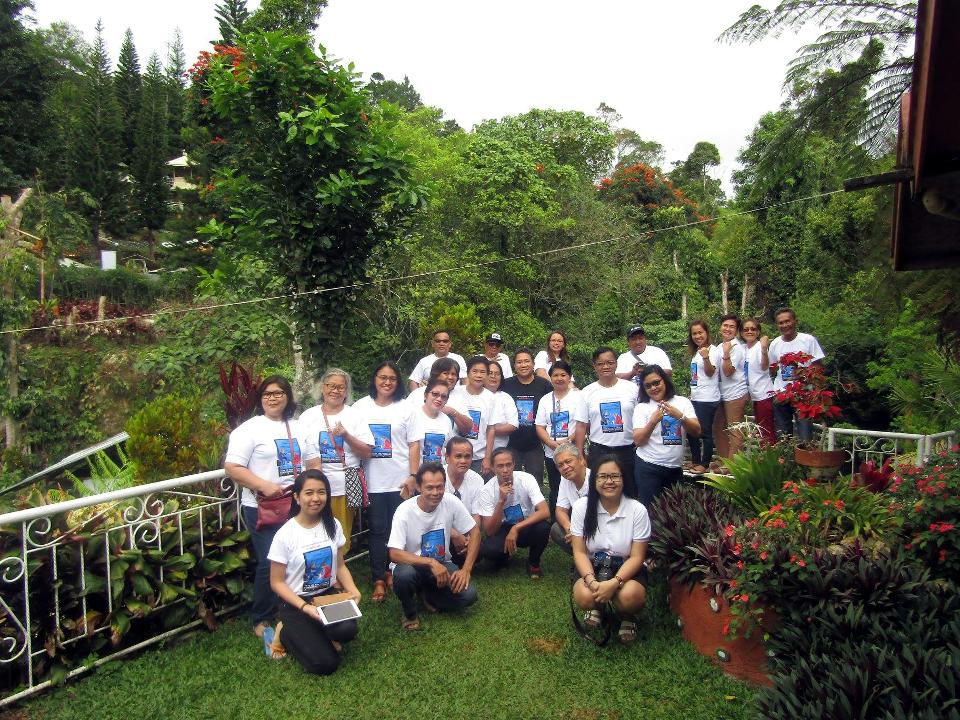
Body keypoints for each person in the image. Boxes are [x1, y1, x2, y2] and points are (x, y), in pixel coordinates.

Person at [224, 375, 312, 638]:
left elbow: (313, 462)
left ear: (288, 398)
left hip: (298, 504)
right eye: (267, 394)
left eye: (278, 393)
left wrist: (312, 490)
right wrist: (264, 486)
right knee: (270, 561)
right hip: (263, 506)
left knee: (298, 554)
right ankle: (261, 618)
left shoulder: (299, 427)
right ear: (260, 399)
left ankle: (292, 602)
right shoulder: (249, 430)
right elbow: (233, 468)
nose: (272, 398)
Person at [267, 470, 360, 674]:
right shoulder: (285, 535)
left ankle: (317, 631)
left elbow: (341, 566)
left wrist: (353, 590)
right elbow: (277, 583)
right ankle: (284, 632)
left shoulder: (332, 525)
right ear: (297, 497)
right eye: (309, 493)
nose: (316, 498)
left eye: (321, 492)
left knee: (348, 630)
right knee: (325, 664)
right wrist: (304, 607)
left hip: (325, 598)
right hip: (296, 603)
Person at [387, 462, 480, 631]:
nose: (435, 493)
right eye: (429, 488)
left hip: (442, 564)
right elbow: (394, 553)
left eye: (440, 487)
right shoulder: (404, 511)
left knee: (469, 596)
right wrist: (431, 563)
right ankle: (410, 613)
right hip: (411, 565)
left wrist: (466, 569)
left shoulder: (451, 502)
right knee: (404, 576)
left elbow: (474, 531)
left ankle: (428, 593)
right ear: (418, 487)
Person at [570, 455, 650, 644]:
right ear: (594, 480)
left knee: (630, 597)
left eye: (615, 476)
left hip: (626, 568)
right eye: (602, 476)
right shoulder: (581, 507)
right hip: (593, 567)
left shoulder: (637, 510)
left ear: (624, 478)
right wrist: (591, 581)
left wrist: (614, 582)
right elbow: (580, 552)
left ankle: (627, 616)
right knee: (584, 596)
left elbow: (637, 557)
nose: (609, 482)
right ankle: (598, 606)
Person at [352, 361, 411, 603]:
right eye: (382, 377)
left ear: (398, 382)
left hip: (400, 479)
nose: (387, 382)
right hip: (373, 480)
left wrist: (414, 476)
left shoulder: (406, 408)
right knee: (377, 530)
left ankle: (393, 572)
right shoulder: (360, 407)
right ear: (374, 379)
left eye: (392, 378)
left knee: (399, 530)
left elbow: (414, 444)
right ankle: (378, 576)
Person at [301, 369, 374, 556]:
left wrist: (346, 435)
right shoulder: (308, 416)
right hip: (314, 488)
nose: (335, 390)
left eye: (340, 387)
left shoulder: (355, 416)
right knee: (313, 534)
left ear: (347, 391)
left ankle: (338, 577)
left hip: (343, 487)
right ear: (323, 388)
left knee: (340, 537)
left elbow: (367, 451)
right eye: (331, 386)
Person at [631, 365, 700, 507]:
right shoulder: (642, 408)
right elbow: (638, 440)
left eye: (657, 383)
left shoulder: (682, 402)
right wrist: (653, 421)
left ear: (665, 381)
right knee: (651, 512)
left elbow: (697, 431)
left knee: (675, 513)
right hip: (648, 467)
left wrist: (680, 416)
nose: (653, 388)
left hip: (675, 468)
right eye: (648, 386)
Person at [477, 448, 551, 578]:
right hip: (503, 528)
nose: (505, 470)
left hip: (525, 524)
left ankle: (533, 562)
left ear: (514, 464)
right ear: (493, 468)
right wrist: (501, 501)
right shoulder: (486, 491)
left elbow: (545, 511)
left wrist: (516, 528)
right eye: (500, 466)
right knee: (489, 550)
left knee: (543, 527)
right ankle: (505, 557)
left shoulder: (527, 479)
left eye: (508, 465)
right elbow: (489, 531)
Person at [535, 360, 587, 516]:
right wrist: (551, 443)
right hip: (552, 453)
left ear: (570, 377)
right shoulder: (545, 399)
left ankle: (579, 518)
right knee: (556, 486)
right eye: (555, 375)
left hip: (573, 451)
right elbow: (539, 426)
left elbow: (583, 423)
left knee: (578, 484)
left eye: (563, 375)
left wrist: (570, 440)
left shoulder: (579, 397)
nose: (559, 378)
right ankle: (557, 521)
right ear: (550, 377)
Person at [581, 346, 638, 485]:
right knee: (599, 490)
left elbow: (641, 417)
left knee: (629, 491)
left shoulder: (632, 388)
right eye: (600, 364)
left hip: (628, 450)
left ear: (616, 364)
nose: (605, 366)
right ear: (594, 366)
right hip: (599, 450)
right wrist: (580, 454)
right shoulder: (587, 392)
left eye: (610, 363)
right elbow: (581, 425)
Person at [768, 307, 826, 442]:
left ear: (795, 321)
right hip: (781, 393)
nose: (784, 325)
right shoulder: (775, 343)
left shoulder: (808, 340)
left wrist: (816, 392)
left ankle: (804, 462)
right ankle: (786, 462)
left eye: (787, 321)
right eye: (780, 323)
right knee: (783, 437)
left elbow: (818, 367)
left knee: (805, 436)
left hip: (804, 394)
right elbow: (772, 368)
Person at [502, 349, 553, 482]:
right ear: (514, 365)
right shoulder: (506, 384)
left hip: (535, 444)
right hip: (510, 444)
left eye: (526, 361)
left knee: (535, 483)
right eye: (519, 362)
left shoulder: (544, 384)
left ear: (533, 364)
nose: (523, 365)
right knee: (512, 483)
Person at [449, 356, 498, 475]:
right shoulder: (455, 393)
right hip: (454, 454)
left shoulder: (490, 398)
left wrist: (487, 458)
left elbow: (491, 429)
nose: (478, 375)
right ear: (468, 373)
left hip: (478, 456)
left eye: (483, 372)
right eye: (474, 371)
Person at [686, 320, 721, 474]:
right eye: (694, 333)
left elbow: (710, 373)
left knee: (704, 431)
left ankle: (705, 463)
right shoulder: (696, 352)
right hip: (696, 396)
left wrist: (706, 357)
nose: (697, 336)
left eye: (700, 332)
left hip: (708, 398)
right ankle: (695, 461)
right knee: (691, 430)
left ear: (707, 333)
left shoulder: (712, 351)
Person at [444, 437, 485, 567]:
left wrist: (471, 538)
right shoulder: (436, 477)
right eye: (458, 456)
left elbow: (476, 514)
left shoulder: (477, 479)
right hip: (440, 530)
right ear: (447, 457)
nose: (463, 461)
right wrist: (455, 535)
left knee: (481, 552)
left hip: (465, 531)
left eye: (467, 456)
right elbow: (431, 517)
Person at [713, 314, 749, 463]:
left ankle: (733, 466)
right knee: (718, 427)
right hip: (721, 394)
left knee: (735, 430)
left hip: (735, 394)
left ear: (736, 331)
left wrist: (727, 354)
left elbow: (728, 372)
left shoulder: (736, 348)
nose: (727, 329)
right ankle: (724, 462)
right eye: (725, 325)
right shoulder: (719, 347)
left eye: (731, 326)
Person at [406, 357, 472, 435]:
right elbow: (403, 420)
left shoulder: (459, 396)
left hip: (448, 445)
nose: (450, 377)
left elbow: (468, 429)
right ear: (436, 374)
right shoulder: (417, 394)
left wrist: (452, 412)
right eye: (446, 373)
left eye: (453, 374)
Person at [408, 377, 458, 474]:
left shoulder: (446, 420)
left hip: (438, 476)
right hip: (416, 475)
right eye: (435, 394)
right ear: (426, 394)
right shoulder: (412, 415)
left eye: (443, 396)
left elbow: (447, 448)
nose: (439, 399)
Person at [550, 443, 591, 555]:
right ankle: (584, 557)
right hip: (580, 528)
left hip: (601, 529)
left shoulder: (596, 480)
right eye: (560, 465)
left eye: (568, 461)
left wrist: (579, 534)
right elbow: (560, 510)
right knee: (556, 529)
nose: (565, 467)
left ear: (581, 460)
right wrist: (570, 529)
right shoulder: (565, 479)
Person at [742, 319, 776, 445]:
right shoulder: (743, 348)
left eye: (753, 329)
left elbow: (765, 366)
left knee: (766, 429)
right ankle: (764, 457)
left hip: (764, 394)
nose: (749, 331)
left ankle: (770, 460)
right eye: (746, 329)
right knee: (760, 429)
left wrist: (763, 349)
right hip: (754, 395)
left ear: (758, 332)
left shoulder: (760, 346)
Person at [484, 360, 518, 454]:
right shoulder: (475, 395)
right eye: (490, 373)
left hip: (499, 450)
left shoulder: (506, 397)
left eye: (497, 373)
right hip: (474, 451)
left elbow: (513, 425)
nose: (493, 376)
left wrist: (488, 430)